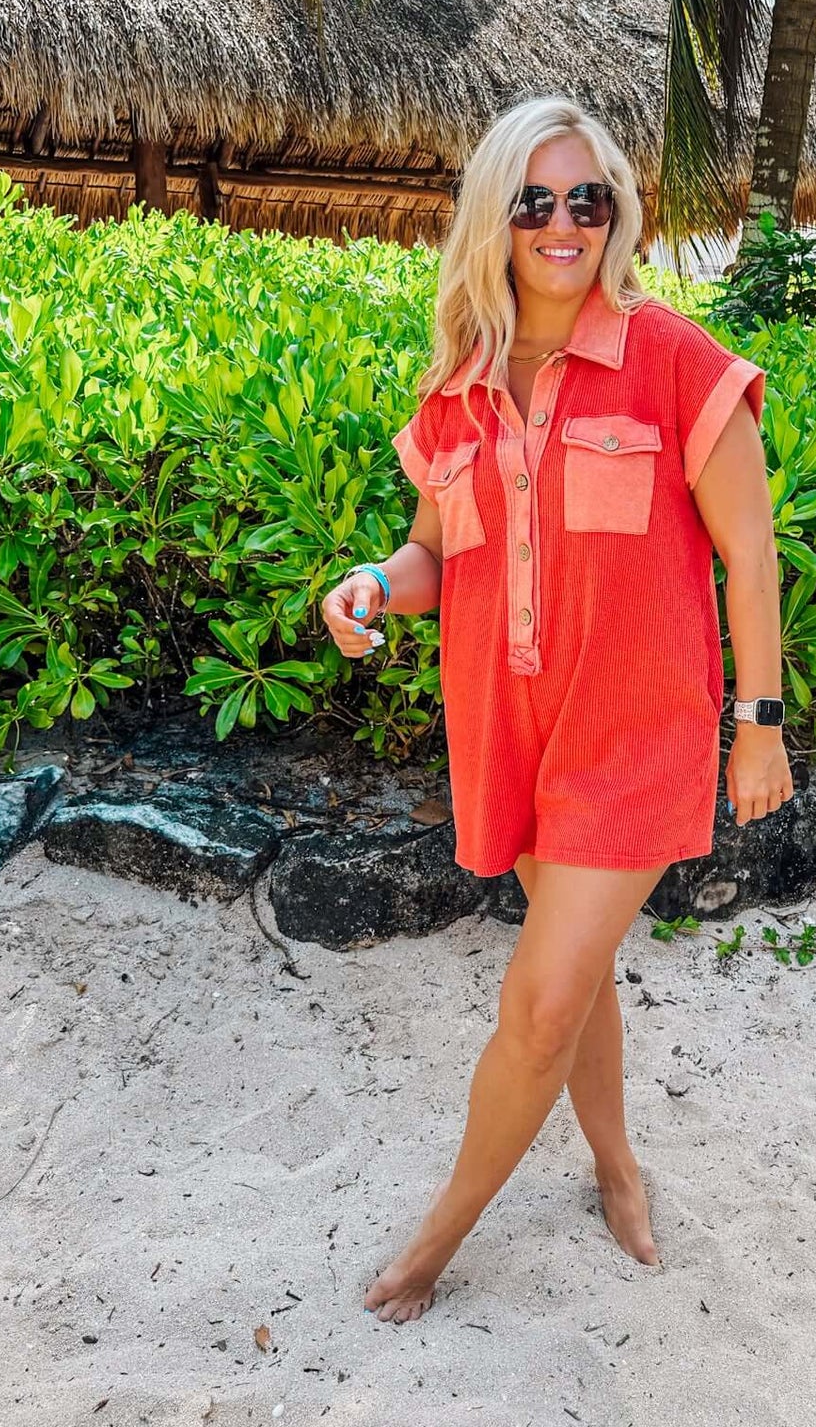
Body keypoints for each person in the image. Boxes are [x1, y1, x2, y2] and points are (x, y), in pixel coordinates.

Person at [319, 95, 791, 1322]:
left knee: (533, 1005)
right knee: (570, 976)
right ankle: (617, 1164)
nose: (564, 222)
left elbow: (749, 551)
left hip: (634, 734)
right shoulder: (456, 393)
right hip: (506, 736)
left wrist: (758, 718)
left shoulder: (676, 361)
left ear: (618, 213)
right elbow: (436, 558)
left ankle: (428, 1248)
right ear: (495, 216)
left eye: (588, 198)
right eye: (535, 199)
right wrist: (372, 583)